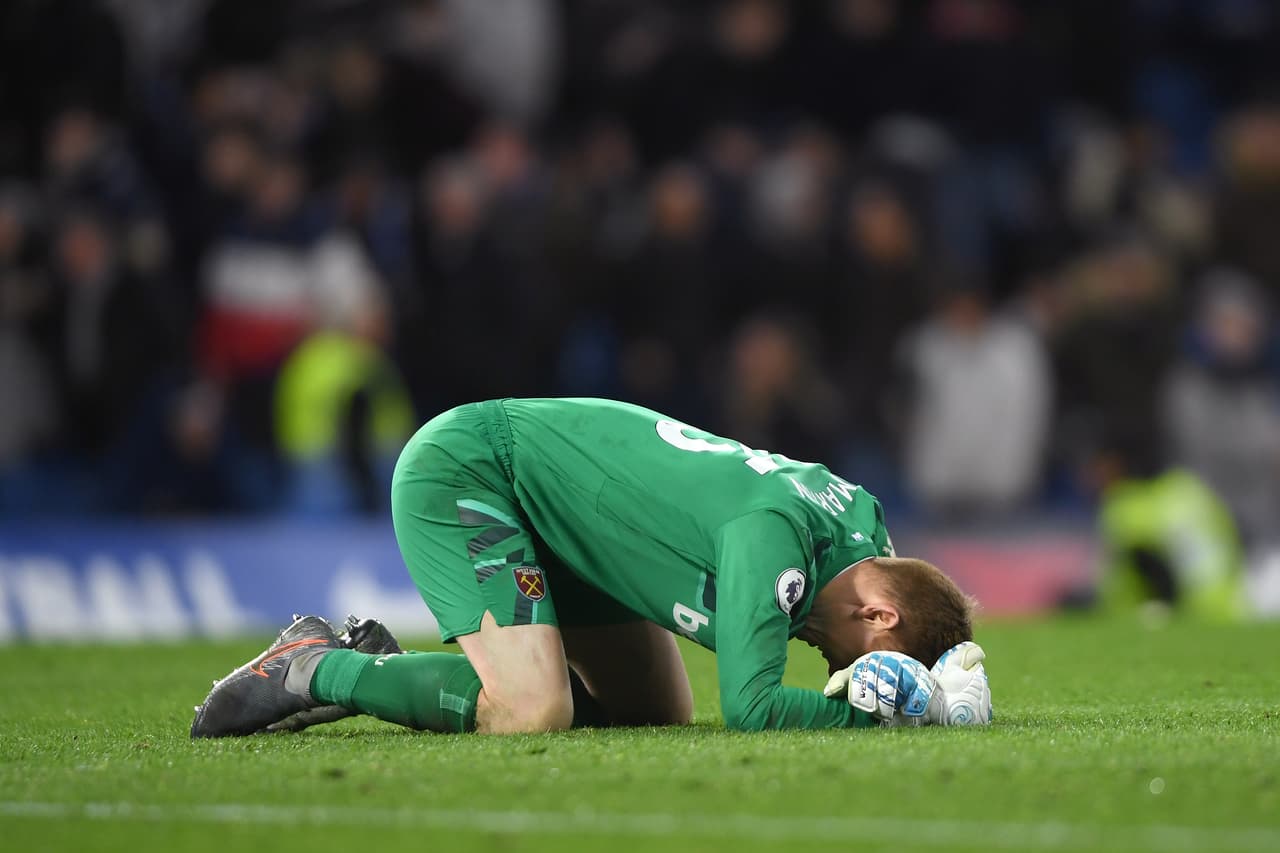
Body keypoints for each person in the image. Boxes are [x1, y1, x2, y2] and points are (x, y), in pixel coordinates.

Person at [192, 397, 985, 737]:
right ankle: (314, 667)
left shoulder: (861, 526)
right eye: (854, 657)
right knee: (535, 710)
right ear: (880, 613)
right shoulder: (773, 538)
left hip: (574, 527)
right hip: (477, 472)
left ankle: (406, 674)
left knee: (654, 713)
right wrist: (877, 717)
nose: (830, 660)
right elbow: (750, 706)